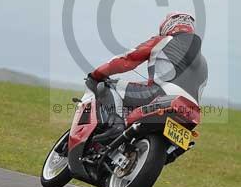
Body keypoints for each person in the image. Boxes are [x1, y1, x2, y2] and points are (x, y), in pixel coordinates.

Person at [85, 12, 208, 143]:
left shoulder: (163, 41)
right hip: (191, 110)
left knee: (109, 86)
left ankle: (115, 126)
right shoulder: (204, 62)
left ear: (169, 25)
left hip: (162, 95)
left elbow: (127, 59)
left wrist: (97, 74)